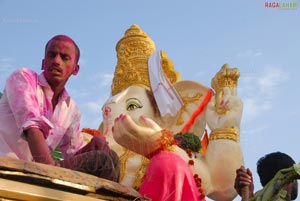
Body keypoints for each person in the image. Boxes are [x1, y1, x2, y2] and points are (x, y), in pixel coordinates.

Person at [0, 35, 119, 182]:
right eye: (52, 55)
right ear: (43, 63)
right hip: (8, 166)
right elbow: (32, 126)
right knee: (102, 161)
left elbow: (71, 153)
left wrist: (92, 146)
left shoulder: (71, 109)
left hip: (39, 171)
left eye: (64, 58)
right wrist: (49, 168)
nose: (56, 61)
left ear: (75, 69)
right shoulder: (23, 78)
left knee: (111, 157)